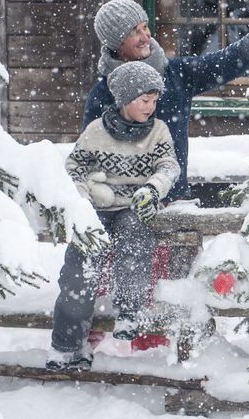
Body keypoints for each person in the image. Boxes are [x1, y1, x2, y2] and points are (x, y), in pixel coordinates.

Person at [85, 0, 249, 201]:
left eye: (145, 27)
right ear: (116, 43)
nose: (145, 36)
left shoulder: (176, 74)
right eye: (134, 32)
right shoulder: (103, 95)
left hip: (174, 202)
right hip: (123, 208)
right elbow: (89, 158)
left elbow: (227, 62)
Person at [48, 61, 178, 369]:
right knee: (79, 271)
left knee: (135, 241)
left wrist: (152, 189)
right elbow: (75, 168)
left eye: (155, 101)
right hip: (97, 209)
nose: (151, 107)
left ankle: (129, 311)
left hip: (134, 205)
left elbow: (169, 166)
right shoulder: (95, 132)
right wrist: (81, 199)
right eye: (144, 100)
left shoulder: (158, 132)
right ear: (123, 100)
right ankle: (67, 344)